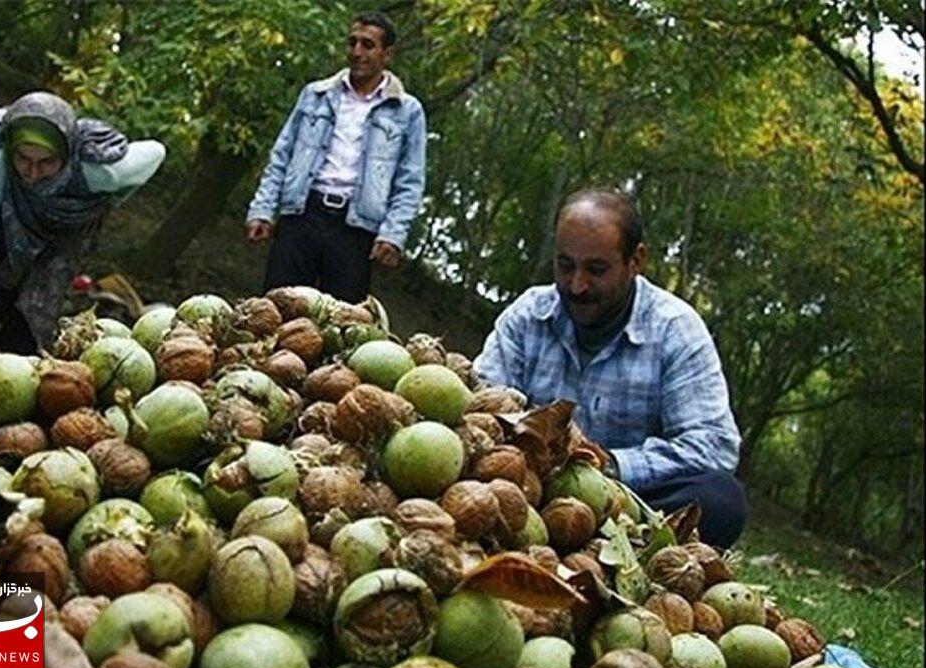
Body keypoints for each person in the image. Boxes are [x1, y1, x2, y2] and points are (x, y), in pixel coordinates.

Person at [473, 188, 746, 547]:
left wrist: (613, 465)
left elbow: (714, 444)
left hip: (629, 501)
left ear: (636, 261)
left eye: (596, 269)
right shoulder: (528, 316)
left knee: (721, 499)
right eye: (565, 265)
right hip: (531, 489)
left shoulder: (675, 329)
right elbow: (482, 400)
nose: (577, 285)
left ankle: (625, 546)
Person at [0, 91, 166, 354]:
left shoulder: (98, 171)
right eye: (23, 159)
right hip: (8, 226)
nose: (33, 173)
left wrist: (114, 191)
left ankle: (14, 361)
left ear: (66, 152)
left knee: (32, 317)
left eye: (46, 162)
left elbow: (156, 151)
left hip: (66, 234)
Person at [244, 11, 426, 304]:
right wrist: (262, 209)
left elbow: (410, 181)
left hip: (356, 231)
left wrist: (393, 234)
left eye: (368, 45)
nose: (357, 52)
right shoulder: (316, 94)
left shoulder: (407, 111)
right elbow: (282, 155)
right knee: (275, 309)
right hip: (303, 214)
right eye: (352, 42)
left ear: (387, 54)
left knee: (341, 324)